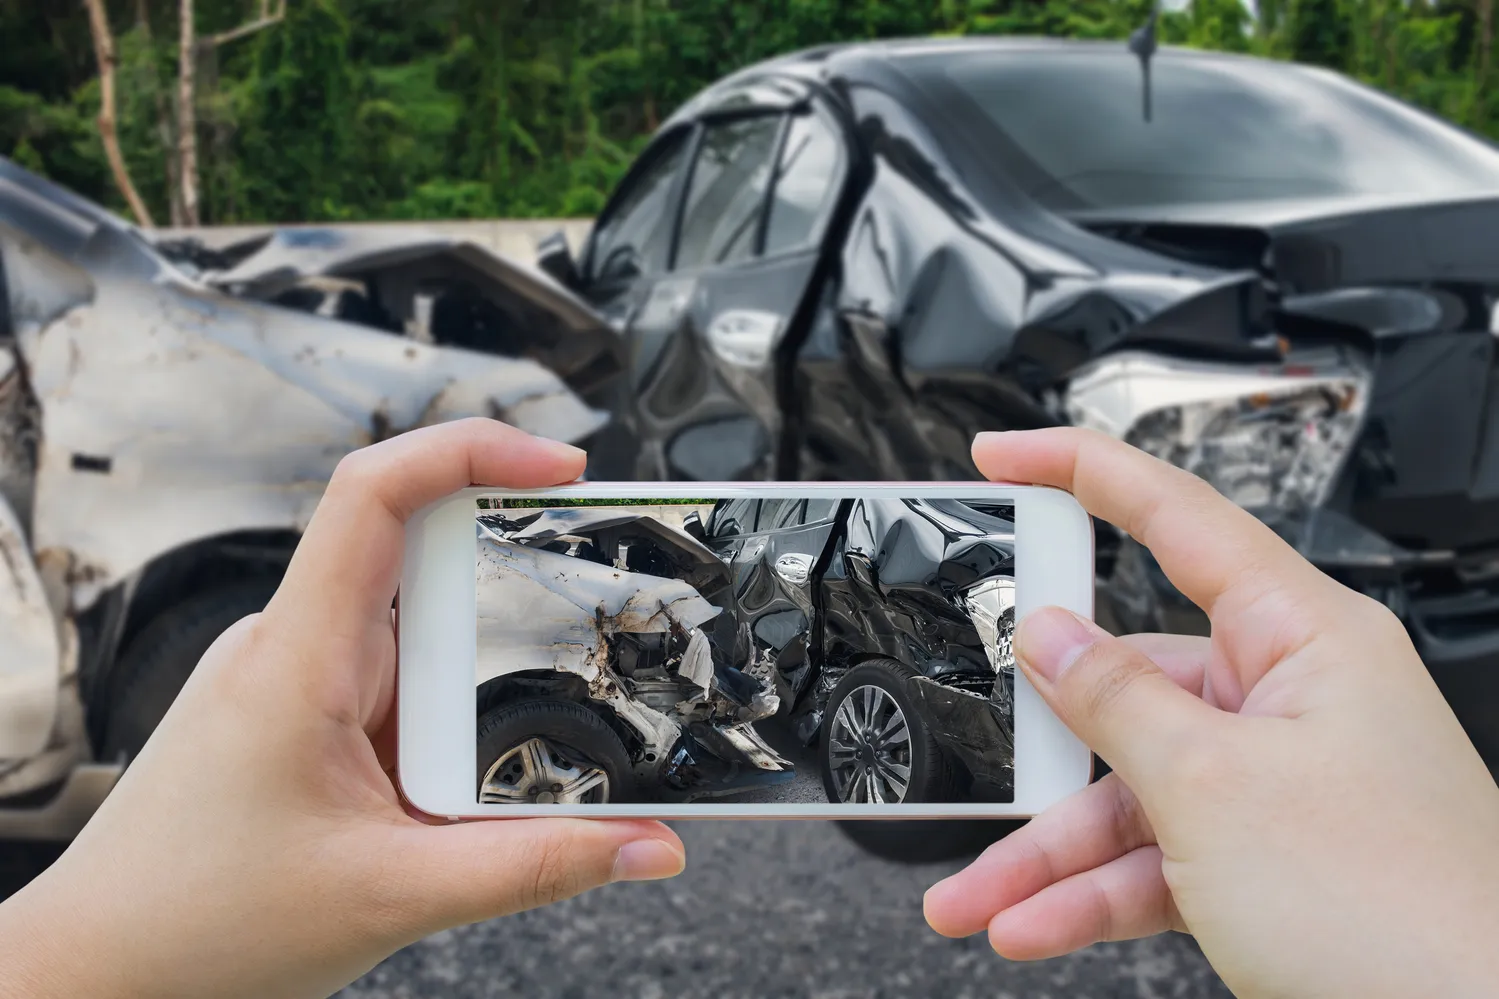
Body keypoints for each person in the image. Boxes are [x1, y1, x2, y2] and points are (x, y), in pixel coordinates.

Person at [0, 419, 1491, 998]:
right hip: (766, 651)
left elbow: (767, 615)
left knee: (830, 702)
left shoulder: (771, 595)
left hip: (800, 648)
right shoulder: (675, 598)